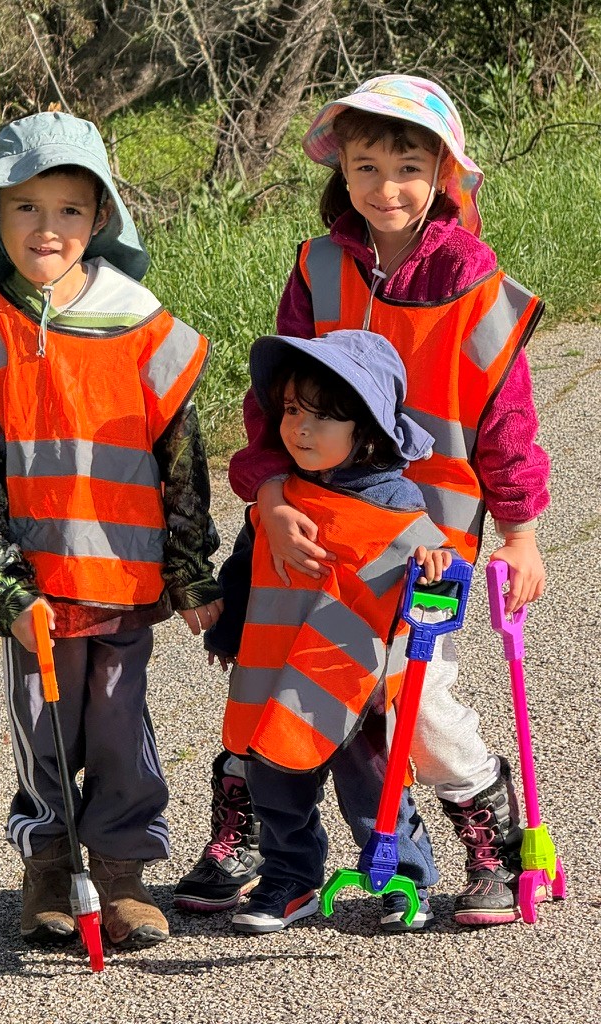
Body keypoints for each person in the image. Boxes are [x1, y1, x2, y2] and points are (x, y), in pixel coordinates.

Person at [175, 74, 550, 928]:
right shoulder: (319, 269)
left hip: (425, 539)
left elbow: (507, 422)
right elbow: (272, 405)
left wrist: (521, 532)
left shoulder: (476, 287)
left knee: (410, 697)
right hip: (306, 523)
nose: (387, 188)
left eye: (409, 168)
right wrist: (270, 493)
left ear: (443, 176)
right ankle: (257, 839)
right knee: (273, 672)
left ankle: (489, 838)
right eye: (367, 166)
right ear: (340, 170)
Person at [0, 112, 222, 951]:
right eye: (25, 207)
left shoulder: (142, 323)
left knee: (120, 730)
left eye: (68, 209)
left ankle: (125, 874)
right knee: (44, 736)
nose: (47, 227)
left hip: (125, 581)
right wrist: (7, 585)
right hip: (37, 590)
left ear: (100, 217)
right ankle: (50, 870)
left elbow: (182, 458)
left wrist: (190, 569)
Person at [214, 328, 453, 934]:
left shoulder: (397, 504)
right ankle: (290, 877)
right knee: (275, 782)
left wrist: (436, 563)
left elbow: (438, 576)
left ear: (366, 430)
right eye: (293, 411)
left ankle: (401, 873)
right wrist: (226, 632)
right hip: (275, 671)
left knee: (374, 784)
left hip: (351, 679)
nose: (300, 429)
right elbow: (244, 566)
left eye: (322, 417)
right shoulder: (279, 501)